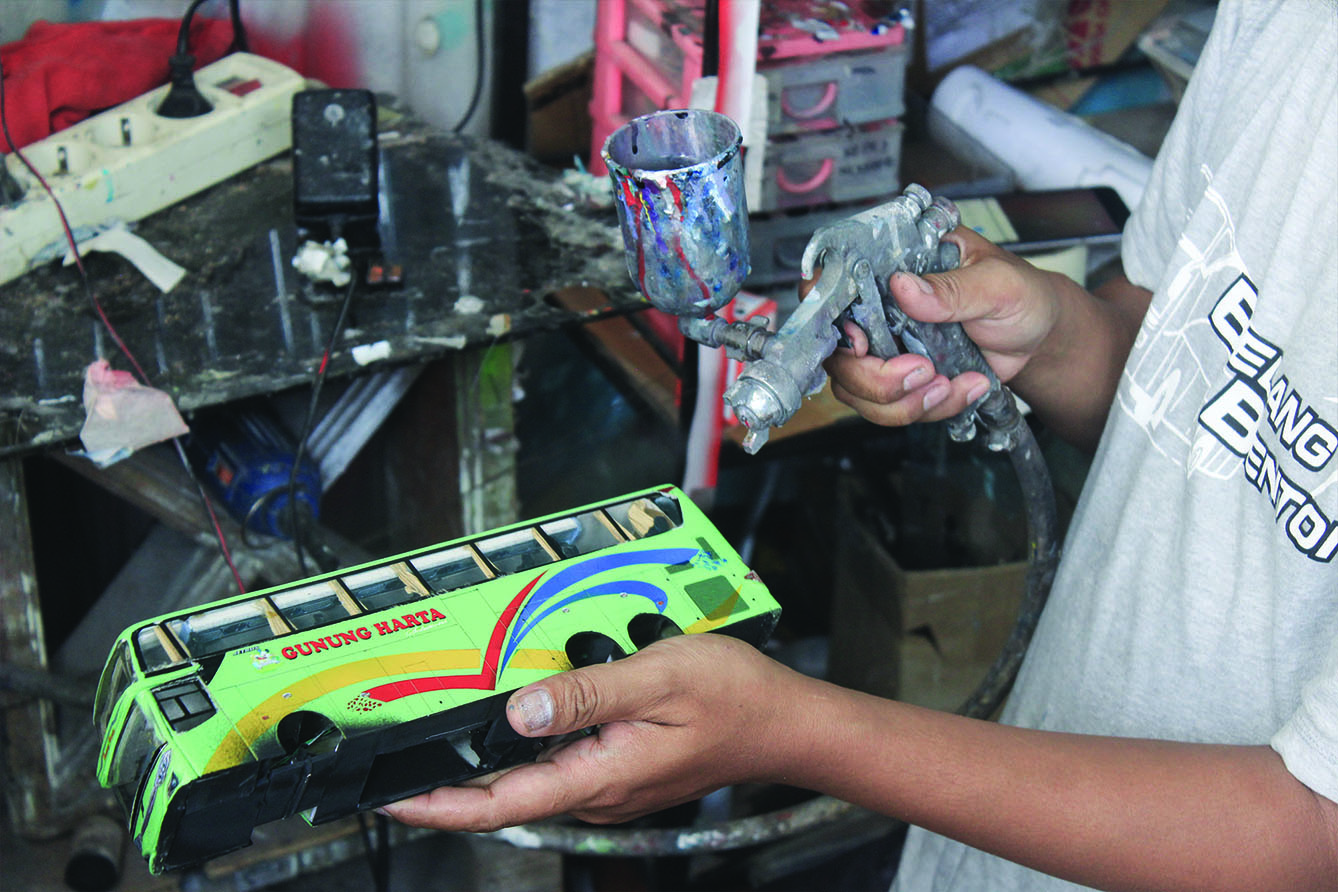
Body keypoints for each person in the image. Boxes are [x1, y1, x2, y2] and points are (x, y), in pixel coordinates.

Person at [383, 2, 1338, 888]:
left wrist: (793, 732)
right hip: (1010, 828)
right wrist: (1045, 329)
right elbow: (1180, 380)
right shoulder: (1291, 23)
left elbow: (1308, 835)